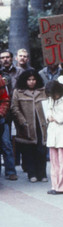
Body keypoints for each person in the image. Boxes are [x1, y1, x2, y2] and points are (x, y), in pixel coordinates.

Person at [11, 70, 48, 183]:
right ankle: (32, 174)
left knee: (41, 151)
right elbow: (14, 108)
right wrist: (22, 121)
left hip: (41, 125)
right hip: (26, 126)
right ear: (24, 80)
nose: (31, 82)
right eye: (29, 80)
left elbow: (48, 105)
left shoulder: (43, 91)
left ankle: (42, 174)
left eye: (33, 79)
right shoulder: (18, 92)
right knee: (28, 151)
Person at [0, 50, 20, 180]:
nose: (5, 59)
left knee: (6, 143)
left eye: (8, 57)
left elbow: (4, 98)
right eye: (3, 58)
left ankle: (11, 171)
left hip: (4, 117)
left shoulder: (17, 72)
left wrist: (1, 113)